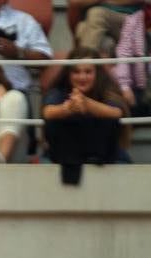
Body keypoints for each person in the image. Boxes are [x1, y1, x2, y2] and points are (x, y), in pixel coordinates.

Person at [42, 47, 127, 185]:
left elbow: (116, 112)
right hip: (66, 156)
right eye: (76, 71)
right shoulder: (59, 90)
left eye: (88, 72)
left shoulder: (106, 88)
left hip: (103, 156)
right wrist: (68, 108)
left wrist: (87, 104)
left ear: (97, 73)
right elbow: (48, 111)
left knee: (109, 120)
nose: (82, 77)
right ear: (68, 73)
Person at [70, 0, 142, 57]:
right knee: (81, 28)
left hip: (131, 20)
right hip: (94, 21)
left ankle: (84, 61)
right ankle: (84, 67)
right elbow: (75, 2)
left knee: (97, 14)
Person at [114, 3, 151, 117]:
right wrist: (124, 87)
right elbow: (123, 54)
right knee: (121, 105)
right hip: (140, 89)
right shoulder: (133, 20)